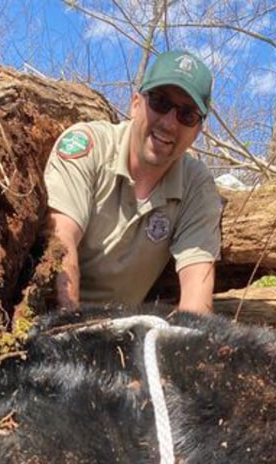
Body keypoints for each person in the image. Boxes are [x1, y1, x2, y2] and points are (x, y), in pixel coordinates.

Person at [44, 51, 222, 313]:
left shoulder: (197, 187)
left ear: (197, 131)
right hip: (51, 314)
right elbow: (61, 243)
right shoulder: (88, 146)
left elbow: (197, 294)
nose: (170, 123)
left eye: (187, 115)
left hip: (120, 331)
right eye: (161, 102)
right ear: (136, 103)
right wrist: (69, 329)